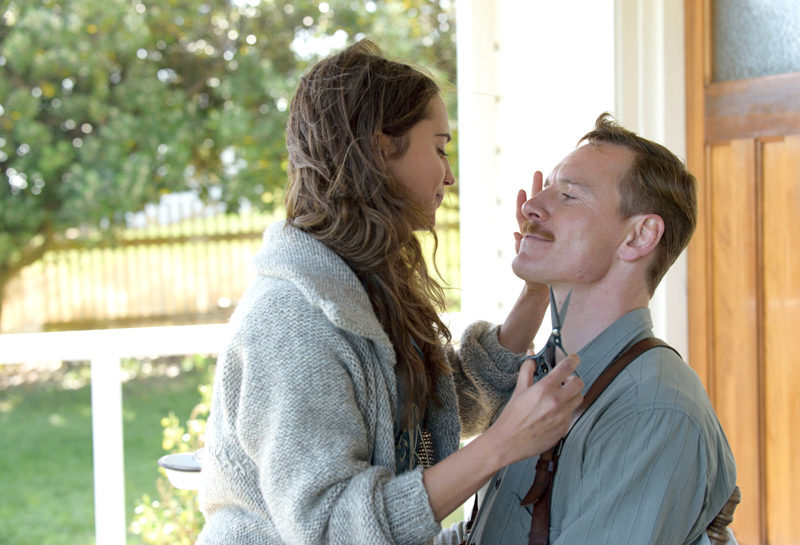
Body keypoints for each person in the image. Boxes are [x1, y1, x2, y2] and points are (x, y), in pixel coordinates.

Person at [196, 39, 584, 545]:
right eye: (440, 147)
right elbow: (331, 529)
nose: (449, 175)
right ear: (382, 148)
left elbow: (436, 417)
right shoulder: (294, 322)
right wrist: (502, 446)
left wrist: (535, 292)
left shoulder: (362, 285)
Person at [462, 114, 737, 545]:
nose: (531, 208)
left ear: (639, 236)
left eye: (568, 194)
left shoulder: (652, 411)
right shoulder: (542, 377)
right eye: (546, 188)